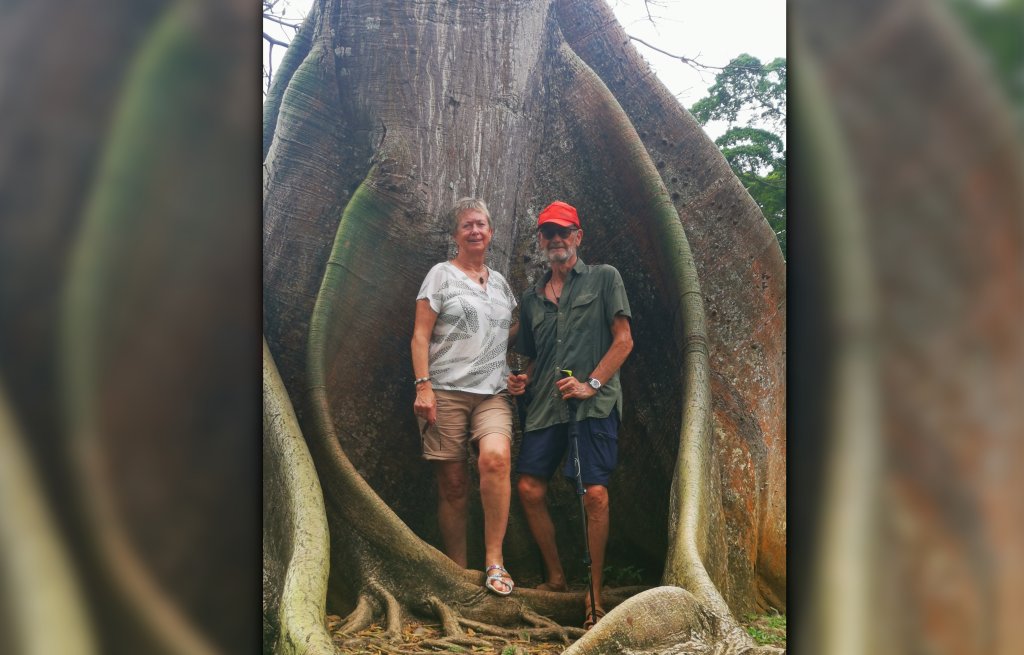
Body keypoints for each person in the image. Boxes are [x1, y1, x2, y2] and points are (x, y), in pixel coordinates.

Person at [507, 200, 633, 629]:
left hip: (593, 404)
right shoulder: (531, 298)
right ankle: (556, 577)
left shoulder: (604, 278)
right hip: (545, 407)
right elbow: (530, 356)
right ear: (540, 240)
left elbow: (623, 341)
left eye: (564, 231)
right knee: (527, 486)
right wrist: (521, 380)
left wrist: (590, 384)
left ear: (579, 236)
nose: (556, 239)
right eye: (548, 233)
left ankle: (594, 595)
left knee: (594, 494)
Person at [411, 197, 518, 596]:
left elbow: (506, 331)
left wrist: (509, 371)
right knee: (453, 484)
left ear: (491, 232)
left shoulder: (502, 283)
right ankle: (457, 571)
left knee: (496, 459)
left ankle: (495, 561)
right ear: (456, 234)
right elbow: (421, 333)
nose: (475, 231)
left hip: (492, 393)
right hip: (444, 391)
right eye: (467, 225)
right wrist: (423, 385)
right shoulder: (440, 275)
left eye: (481, 225)